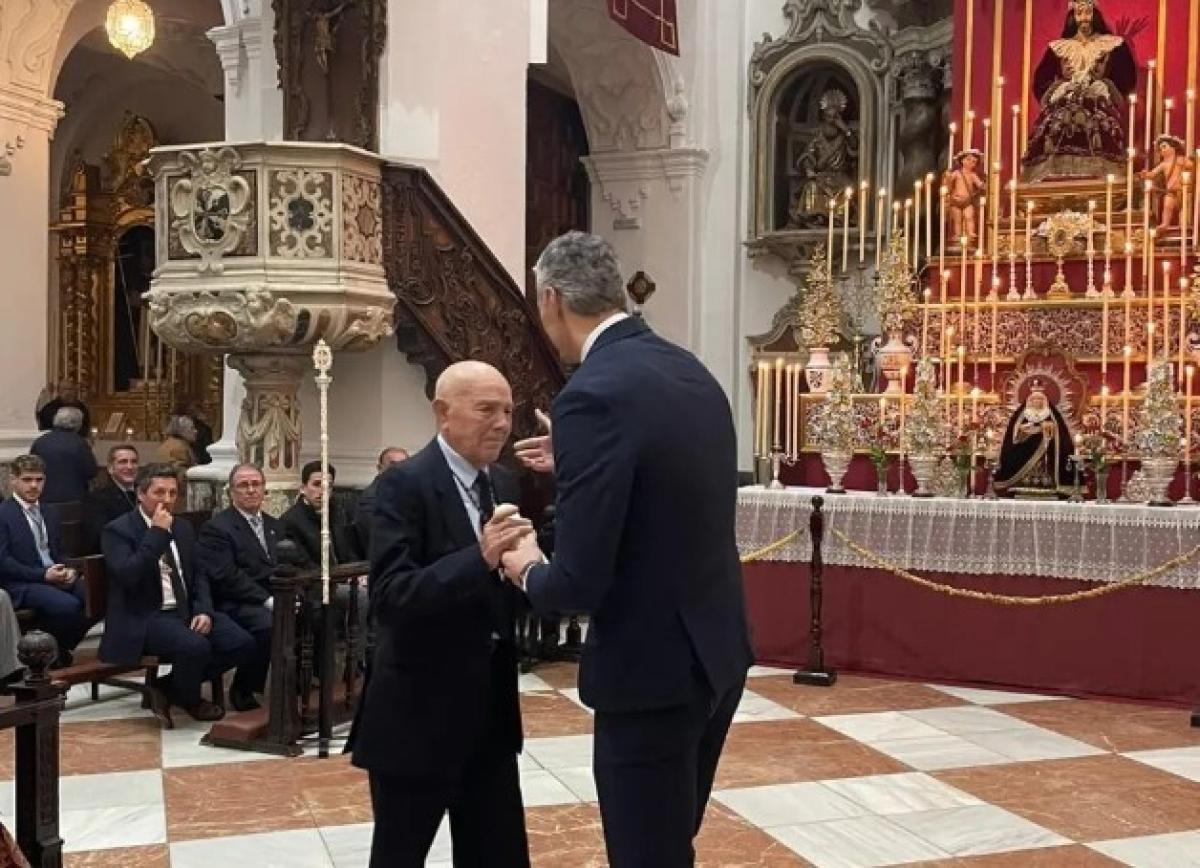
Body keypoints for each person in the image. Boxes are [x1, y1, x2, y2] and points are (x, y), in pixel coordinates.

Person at [504, 231, 753, 867]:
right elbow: (665, 477)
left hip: (651, 671)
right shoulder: (686, 368)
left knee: (645, 855)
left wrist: (525, 564)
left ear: (553, 299)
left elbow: (579, 583)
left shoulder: (592, 393)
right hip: (715, 653)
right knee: (671, 847)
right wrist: (580, 459)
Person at [348, 361, 534, 868]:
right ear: (442, 413)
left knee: (498, 854)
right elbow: (390, 596)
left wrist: (530, 573)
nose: (501, 423)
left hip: (489, 715)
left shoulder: (503, 482)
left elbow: (501, 592)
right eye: (486, 410)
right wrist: (480, 557)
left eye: (508, 411)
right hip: (418, 715)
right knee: (400, 854)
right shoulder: (402, 485)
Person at [100, 464, 257, 727]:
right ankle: (190, 697)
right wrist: (157, 533)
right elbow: (129, 574)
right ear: (141, 494)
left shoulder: (182, 527)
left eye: (173, 493)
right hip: (145, 615)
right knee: (195, 646)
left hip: (184, 609)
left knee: (242, 643)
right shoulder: (118, 530)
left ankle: (168, 688)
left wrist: (203, 609)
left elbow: (199, 575)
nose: (167, 500)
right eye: (159, 492)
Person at [1021, 0, 1135, 182]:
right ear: (1073, 16)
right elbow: (1041, 80)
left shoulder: (1113, 45)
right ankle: (1053, 170)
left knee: (1097, 119)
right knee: (1058, 121)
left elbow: (1127, 78)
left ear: (1094, 14)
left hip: (1098, 96)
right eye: (1079, 13)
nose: (1084, 19)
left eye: (1088, 13)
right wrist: (1061, 84)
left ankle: (1101, 168)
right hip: (1066, 97)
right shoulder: (1059, 47)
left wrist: (1103, 82)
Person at [198, 464, 280, 712]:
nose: (251, 490)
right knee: (269, 624)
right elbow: (227, 575)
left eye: (256, 484)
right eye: (243, 485)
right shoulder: (218, 528)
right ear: (231, 492)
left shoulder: (274, 525)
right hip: (234, 600)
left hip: (271, 595)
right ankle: (244, 689)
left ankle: (300, 682)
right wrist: (267, 599)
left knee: (315, 612)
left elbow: (285, 562)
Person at [0, 455, 91, 667]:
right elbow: (3, 562)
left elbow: (58, 551)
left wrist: (70, 570)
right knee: (68, 606)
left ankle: (57, 649)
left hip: (53, 575)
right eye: (27, 479)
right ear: (13, 480)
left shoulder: (49, 511)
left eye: (39, 480)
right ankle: (46, 654)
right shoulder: (4, 514)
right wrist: (42, 575)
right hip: (21, 583)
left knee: (96, 596)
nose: (34, 485)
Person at [282, 460, 368, 663]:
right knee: (363, 598)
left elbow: (349, 549)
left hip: (343, 576)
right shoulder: (292, 521)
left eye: (328, 486)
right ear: (303, 488)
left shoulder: (337, 511)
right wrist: (343, 579)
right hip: (315, 584)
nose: (323, 491)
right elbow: (303, 563)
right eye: (317, 484)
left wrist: (360, 573)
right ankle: (358, 662)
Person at [790, 88, 858, 228]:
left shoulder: (844, 137)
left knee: (848, 188)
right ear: (824, 118)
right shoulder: (817, 138)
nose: (831, 122)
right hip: (821, 176)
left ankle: (839, 220)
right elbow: (807, 156)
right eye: (828, 117)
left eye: (835, 118)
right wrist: (809, 169)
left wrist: (845, 129)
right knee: (811, 186)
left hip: (840, 177)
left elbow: (855, 145)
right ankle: (816, 219)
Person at [995, 380, 1075, 495]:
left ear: (1044, 401)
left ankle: (1048, 483)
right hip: (1025, 450)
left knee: (1045, 467)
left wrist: (1049, 427)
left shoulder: (1050, 414)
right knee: (1019, 461)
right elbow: (1014, 435)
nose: (1037, 401)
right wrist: (1023, 429)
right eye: (1034, 399)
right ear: (1030, 401)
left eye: (1040, 399)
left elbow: (1060, 434)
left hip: (1046, 450)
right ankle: (1022, 481)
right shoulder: (1023, 414)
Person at [30, 407, 97, 504]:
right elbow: (91, 471)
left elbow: (30, 468)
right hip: (73, 499)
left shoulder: (40, 442)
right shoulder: (80, 443)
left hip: (42, 497)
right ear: (78, 423)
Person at [83, 444, 140, 554]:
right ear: (110, 468)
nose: (129, 467)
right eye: (123, 462)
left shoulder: (147, 492)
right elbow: (99, 537)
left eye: (134, 462)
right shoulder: (97, 499)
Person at [353, 446, 409, 556]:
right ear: (380, 468)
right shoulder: (371, 499)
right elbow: (383, 538)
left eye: (404, 464)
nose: (400, 469)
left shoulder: (405, 492)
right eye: (393, 465)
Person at [1143, 134, 1194, 231]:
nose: (1162, 150)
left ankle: (1183, 224)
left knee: (1183, 209)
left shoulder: (1181, 159)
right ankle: (1165, 224)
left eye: (1164, 146)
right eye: (1160, 148)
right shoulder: (1163, 164)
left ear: (1173, 147)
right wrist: (1146, 174)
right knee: (1167, 207)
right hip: (1170, 191)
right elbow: (1153, 174)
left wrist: (1190, 163)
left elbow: (1191, 166)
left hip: (1183, 190)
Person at [943, 149, 987, 248]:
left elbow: (980, 185)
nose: (971, 163)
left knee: (969, 216)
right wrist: (947, 178)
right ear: (962, 161)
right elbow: (948, 185)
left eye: (974, 162)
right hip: (956, 200)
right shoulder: (957, 174)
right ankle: (957, 236)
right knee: (957, 219)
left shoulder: (972, 175)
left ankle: (971, 233)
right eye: (969, 160)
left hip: (967, 201)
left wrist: (984, 184)